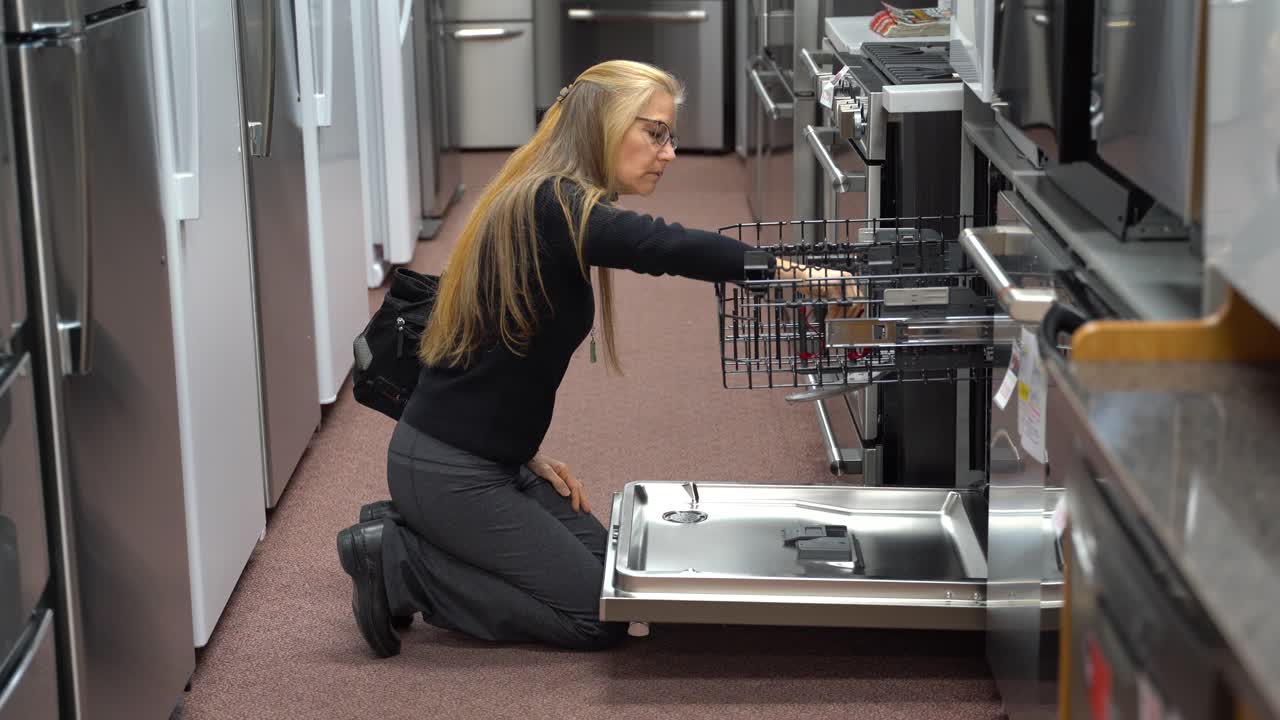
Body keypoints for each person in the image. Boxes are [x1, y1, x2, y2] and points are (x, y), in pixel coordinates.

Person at [336, 60, 860, 657]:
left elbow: (485, 352)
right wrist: (793, 273)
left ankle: (409, 524)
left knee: (614, 573)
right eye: (655, 132)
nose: (668, 152)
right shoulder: (550, 204)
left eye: (671, 135)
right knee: (599, 617)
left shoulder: (545, 197)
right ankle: (400, 563)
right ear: (603, 126)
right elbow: (667, 246)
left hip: (486, 459)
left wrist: (520, 451)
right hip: (450, 470)